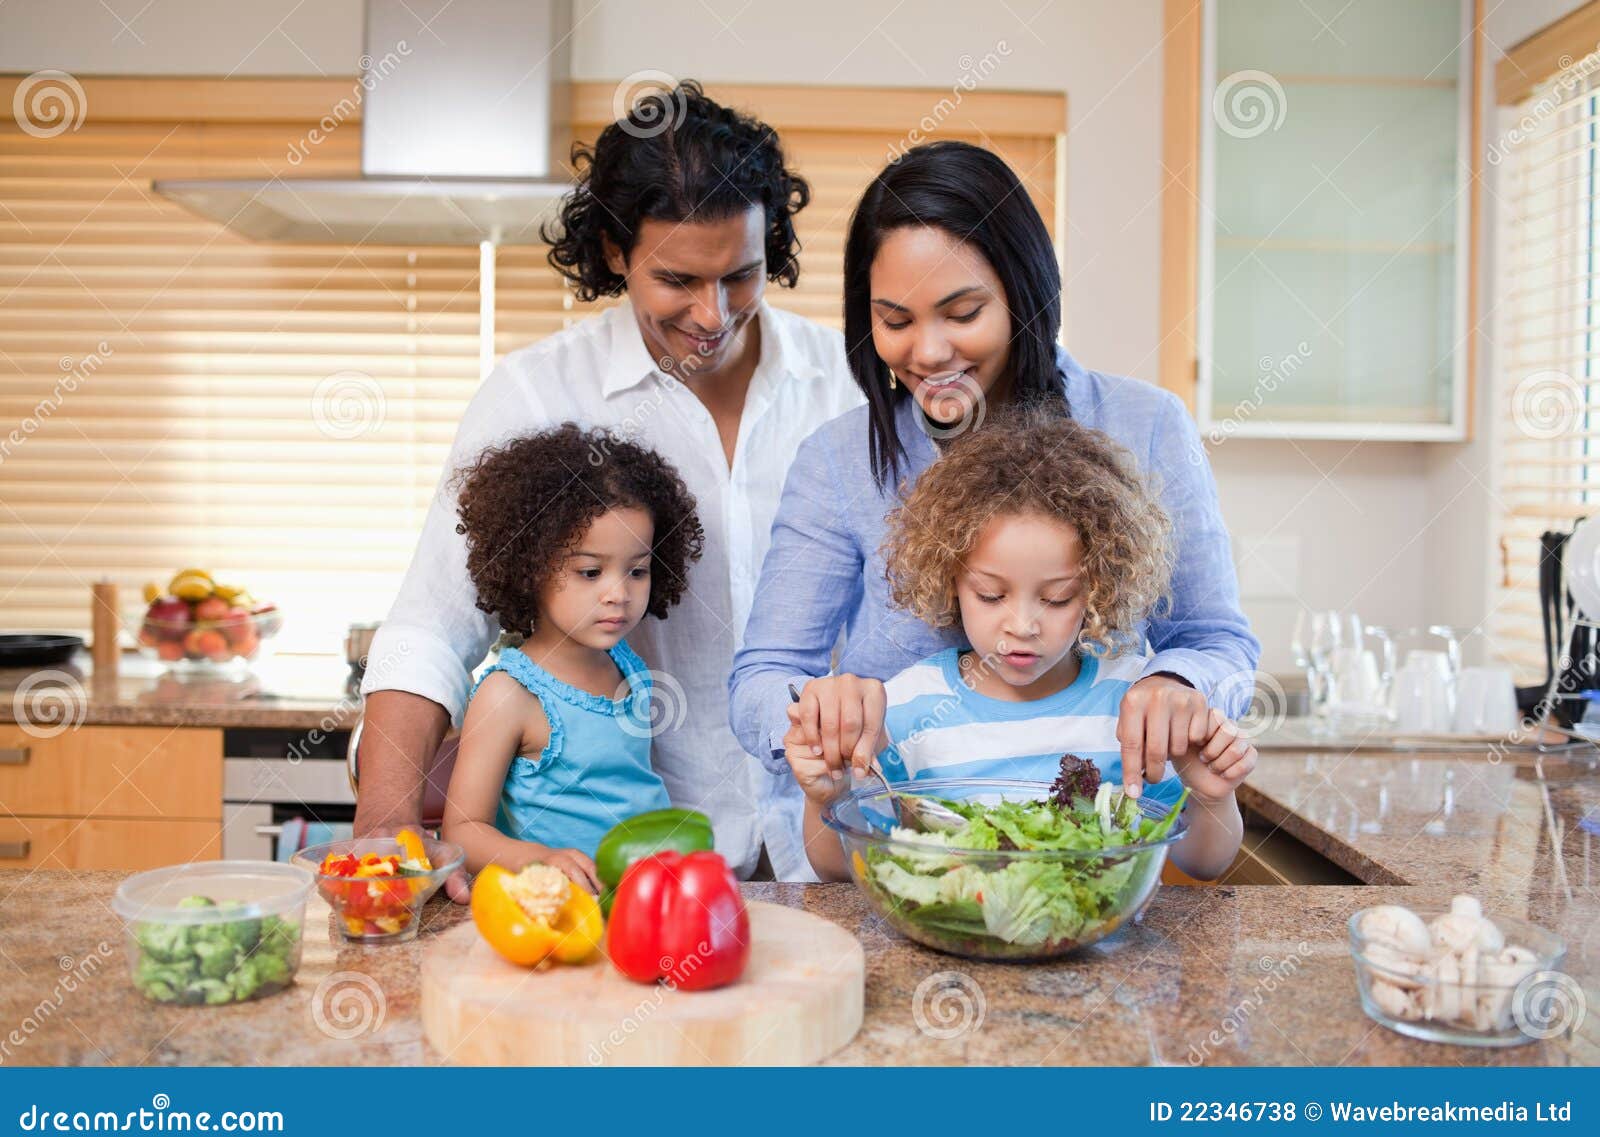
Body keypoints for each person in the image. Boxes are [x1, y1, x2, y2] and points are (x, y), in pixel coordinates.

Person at [357, 82, 860, 896]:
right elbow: (432, 630)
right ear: (616, 253)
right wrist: (383, 827)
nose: (713, 313)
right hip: (634, 878)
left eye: (742, 274)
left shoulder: (851, 388)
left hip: (837, 854)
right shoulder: (535, 395)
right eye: (677, 281)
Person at [730, 141, 1260, 880]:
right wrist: (818, 714)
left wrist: (1176, 688)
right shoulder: (839, 459)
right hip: (906, 871)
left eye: (963, 311)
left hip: (1090, 880)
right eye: (895, 319)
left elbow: (1216, 638)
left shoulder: (1146, 425)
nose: (928, 350)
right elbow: (763, 676)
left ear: (1024, 290)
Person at [782, 416, 1253, 881]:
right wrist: (826, 796)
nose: (1023, 625)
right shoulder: (906, 708)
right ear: (951, 581)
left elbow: (1203, 863)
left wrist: (1211, 797)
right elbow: (839, 871)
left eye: (1056, 598)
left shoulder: (1131, 704)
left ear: (1099, 590)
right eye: (991, 595)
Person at [440, 425, 704, 889]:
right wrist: (538, 858)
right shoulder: (510, 695)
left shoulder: (627, 664)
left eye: (637, 570)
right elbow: (462, 831)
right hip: (560, 910)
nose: (618, 594)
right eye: (590, 571)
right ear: (529, 567)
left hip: (642, 899)